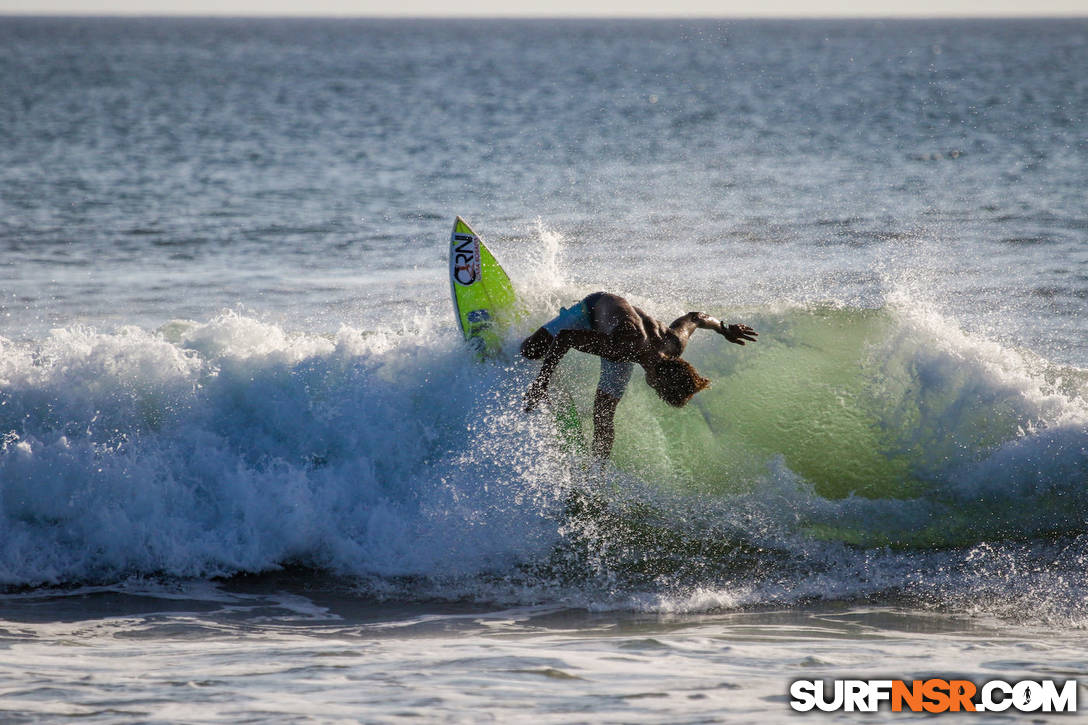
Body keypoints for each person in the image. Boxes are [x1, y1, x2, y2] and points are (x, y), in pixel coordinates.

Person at [521, 292, 757, 458]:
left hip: (623, 346)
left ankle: (596, 477)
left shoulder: (674, 344)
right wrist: (542, 382)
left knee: (604, 419)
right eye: (658, 390)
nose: (653, 389)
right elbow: (566, 337)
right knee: (531, 351)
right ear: (658, 380)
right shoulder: (624, 346)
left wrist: (724, 328)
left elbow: (696, 317)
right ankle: (537, 366)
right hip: (593, 310)